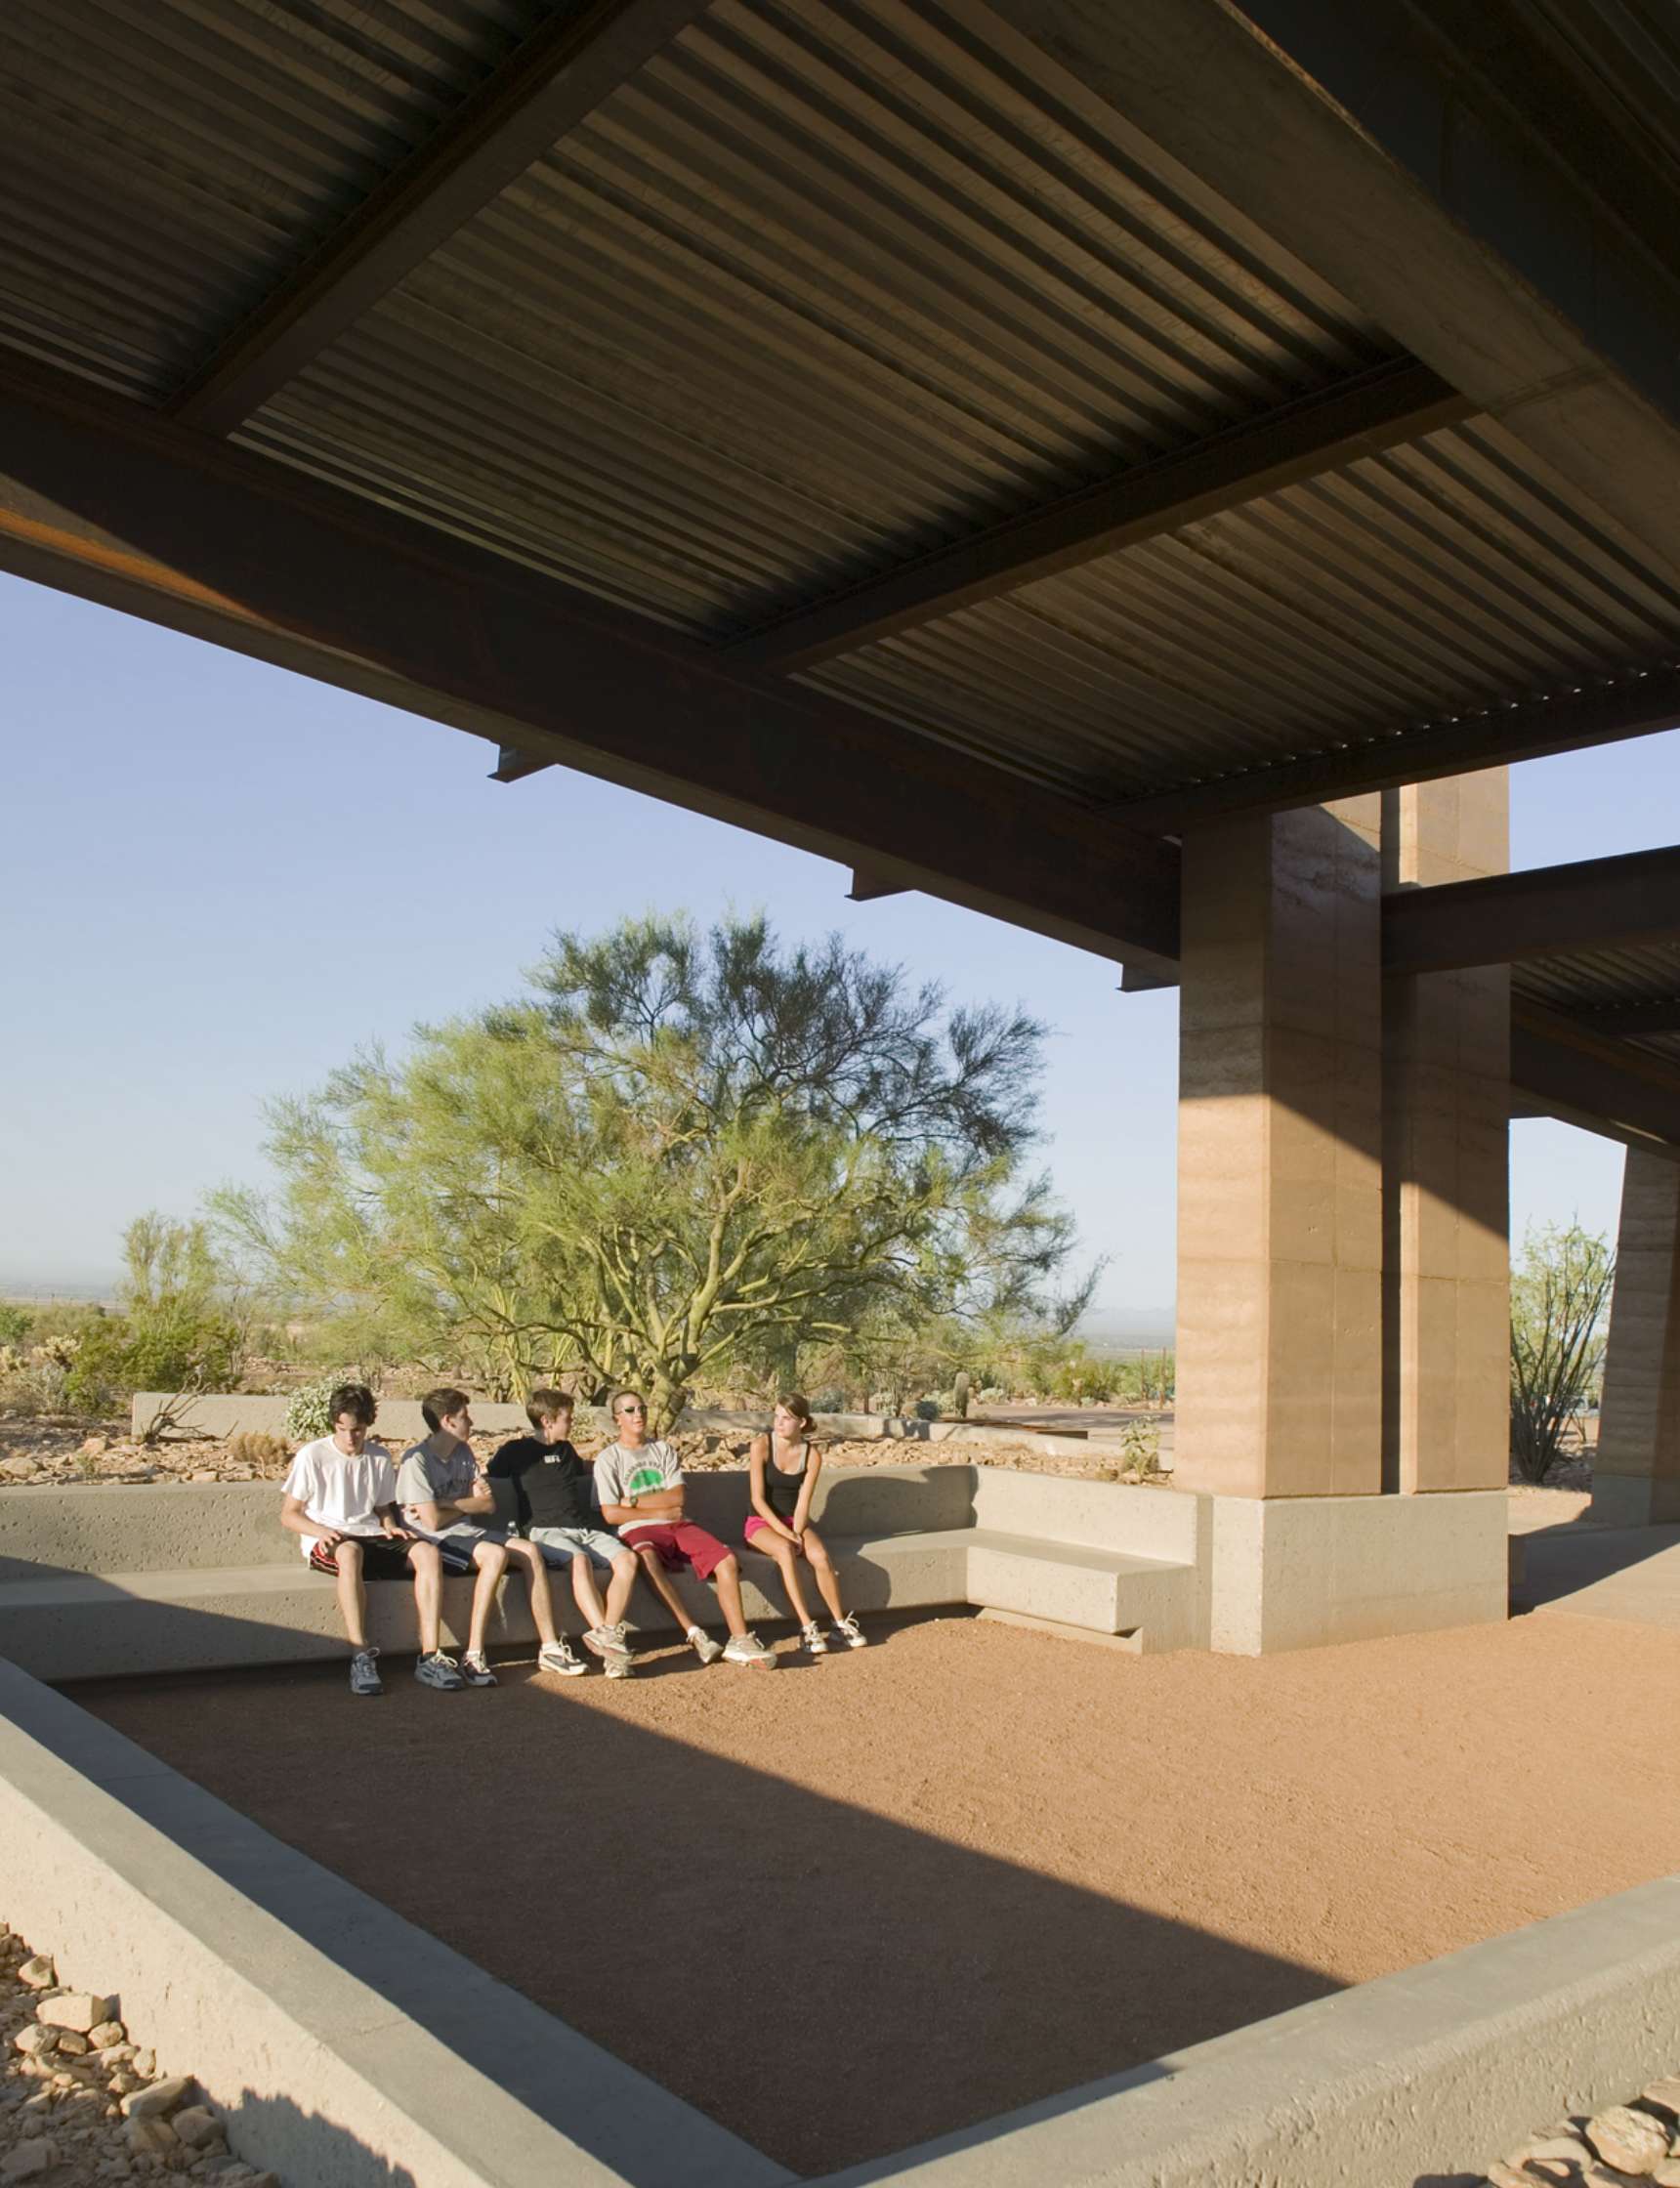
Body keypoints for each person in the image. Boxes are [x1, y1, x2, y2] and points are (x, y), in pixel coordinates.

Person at [279, 1382, 462, 1696]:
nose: (351, 1437)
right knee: (349, 1552)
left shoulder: (378, 1457)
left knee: (427, 1553)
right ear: (334, 1423)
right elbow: (289, 1514)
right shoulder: (313, 1455)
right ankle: (360, 1657)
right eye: (343, 1428)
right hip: (330, 1538)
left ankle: (430, 1656)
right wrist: (321, 1531)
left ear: (368, 1425)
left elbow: (380, 1508)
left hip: (372, 1534)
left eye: (358, 1430)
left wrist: (390, 1523)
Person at [396, 1387, 587, 1685]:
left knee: (531, 1551)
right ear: (448, 1421)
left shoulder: (463, 1452)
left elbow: (487, 1504)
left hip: (468, 1531)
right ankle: (474, 1653)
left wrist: (445, 1503)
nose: (470, 1423)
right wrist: (457, 1507)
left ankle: (549, 1647)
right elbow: (431, 1522)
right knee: (496, 1555)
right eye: (465, 1417)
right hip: (434, 1539)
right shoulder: (417, 1460)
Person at [592, 1390, 777, 1668]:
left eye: (642, 1407)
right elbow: (611, 1513)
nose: (638, 1414)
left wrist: (632, 1501)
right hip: (637, 1530)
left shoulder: (662, 1450)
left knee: (726, 1560)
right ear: (617, 1418)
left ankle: (740, 1640)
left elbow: (677, 1498)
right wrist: (658, 1510)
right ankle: (693, 1632)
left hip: (678, 1524)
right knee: (647, 1559)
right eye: (630, 1410)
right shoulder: (609, 1459)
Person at [486, 1389, 637, 1679]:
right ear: (547, 1420)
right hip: (544, 1531)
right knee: (578, 1560)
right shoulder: (514, 1452)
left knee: (627, 1560)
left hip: (582, 1528)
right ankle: (606, 1639)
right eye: (567, 1418)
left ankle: (607, 1635)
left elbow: (586, 1473)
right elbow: (489, 1480)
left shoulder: (566, 1450)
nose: (571, 1424)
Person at [743, 1394, 865, 1655]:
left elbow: (802, 1504)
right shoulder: (761, 1446)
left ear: (801, 1422)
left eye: (786, 1418)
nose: (779, 1423)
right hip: (761, 1524)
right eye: (776, 1416)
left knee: (820, 1555)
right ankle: (807, 1627)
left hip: (794, 1523)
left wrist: (797, 1532)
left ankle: (839, 1624)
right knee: (786, 1552)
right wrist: (785, 1534)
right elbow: (757, 1499)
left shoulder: (811, 1456)